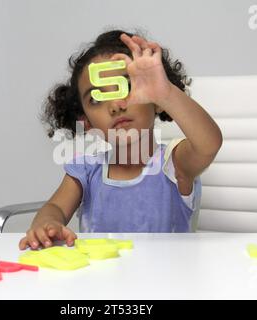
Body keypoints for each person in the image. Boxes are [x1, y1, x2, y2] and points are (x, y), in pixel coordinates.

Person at [19, 29, 222, 250]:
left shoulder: (174, 165)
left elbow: (209, 144)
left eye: (126, 87)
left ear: (156, 101)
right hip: (102, 281)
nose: (115, 105)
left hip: (167, 282)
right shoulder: (87, 169)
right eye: (97, 98)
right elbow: (55, 207)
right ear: (86, 121)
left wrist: (165, 93)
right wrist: (47, 223)